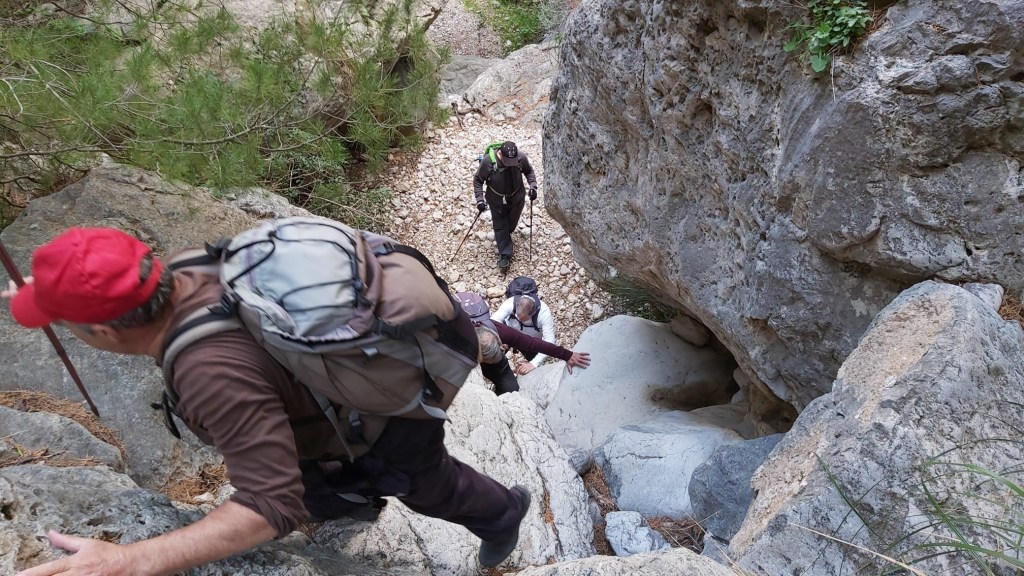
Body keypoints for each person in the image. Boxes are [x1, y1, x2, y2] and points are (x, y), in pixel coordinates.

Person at [4, 227, 531, 576]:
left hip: (378, 422)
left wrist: (129, 560)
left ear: (102, 330)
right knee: (324, 490)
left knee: (428, 483)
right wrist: (62, 289)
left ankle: (501, 513)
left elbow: (269, 505)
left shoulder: (208, 370)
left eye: (64, 322)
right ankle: (355, 502)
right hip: (322, 410)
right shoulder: (187, 268)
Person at [475, 320, 591, 395]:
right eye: (486, 360)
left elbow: (533, 343)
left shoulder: (503, 333)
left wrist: (567, 355)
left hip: (487, 353)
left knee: (510, 389)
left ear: (499, 342)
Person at [472, 140, 538, 271]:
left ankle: (505, 235)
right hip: (496, 199)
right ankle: (505, 255)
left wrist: (533, 187)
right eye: (507, 162)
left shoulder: (520, 158)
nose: (509, 165)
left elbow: (529, 172)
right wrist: (480, 200)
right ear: (500, 154)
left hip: (517, 196)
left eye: (511, 163)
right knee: (500, 224)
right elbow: (478, 180)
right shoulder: (488, 162)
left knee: (511, 225)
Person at [491, 294, 556, 374]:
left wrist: (533, 364)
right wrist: (499, 338)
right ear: (517, 305)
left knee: (538, 368)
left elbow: (549, 341)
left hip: (530, 341)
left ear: (533, 313)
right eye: (517, 316)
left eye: (524, 318)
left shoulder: (544, 314)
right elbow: (493, 322)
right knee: (492, 353)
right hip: (509, 332)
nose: (520, 319)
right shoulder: (511, 302)